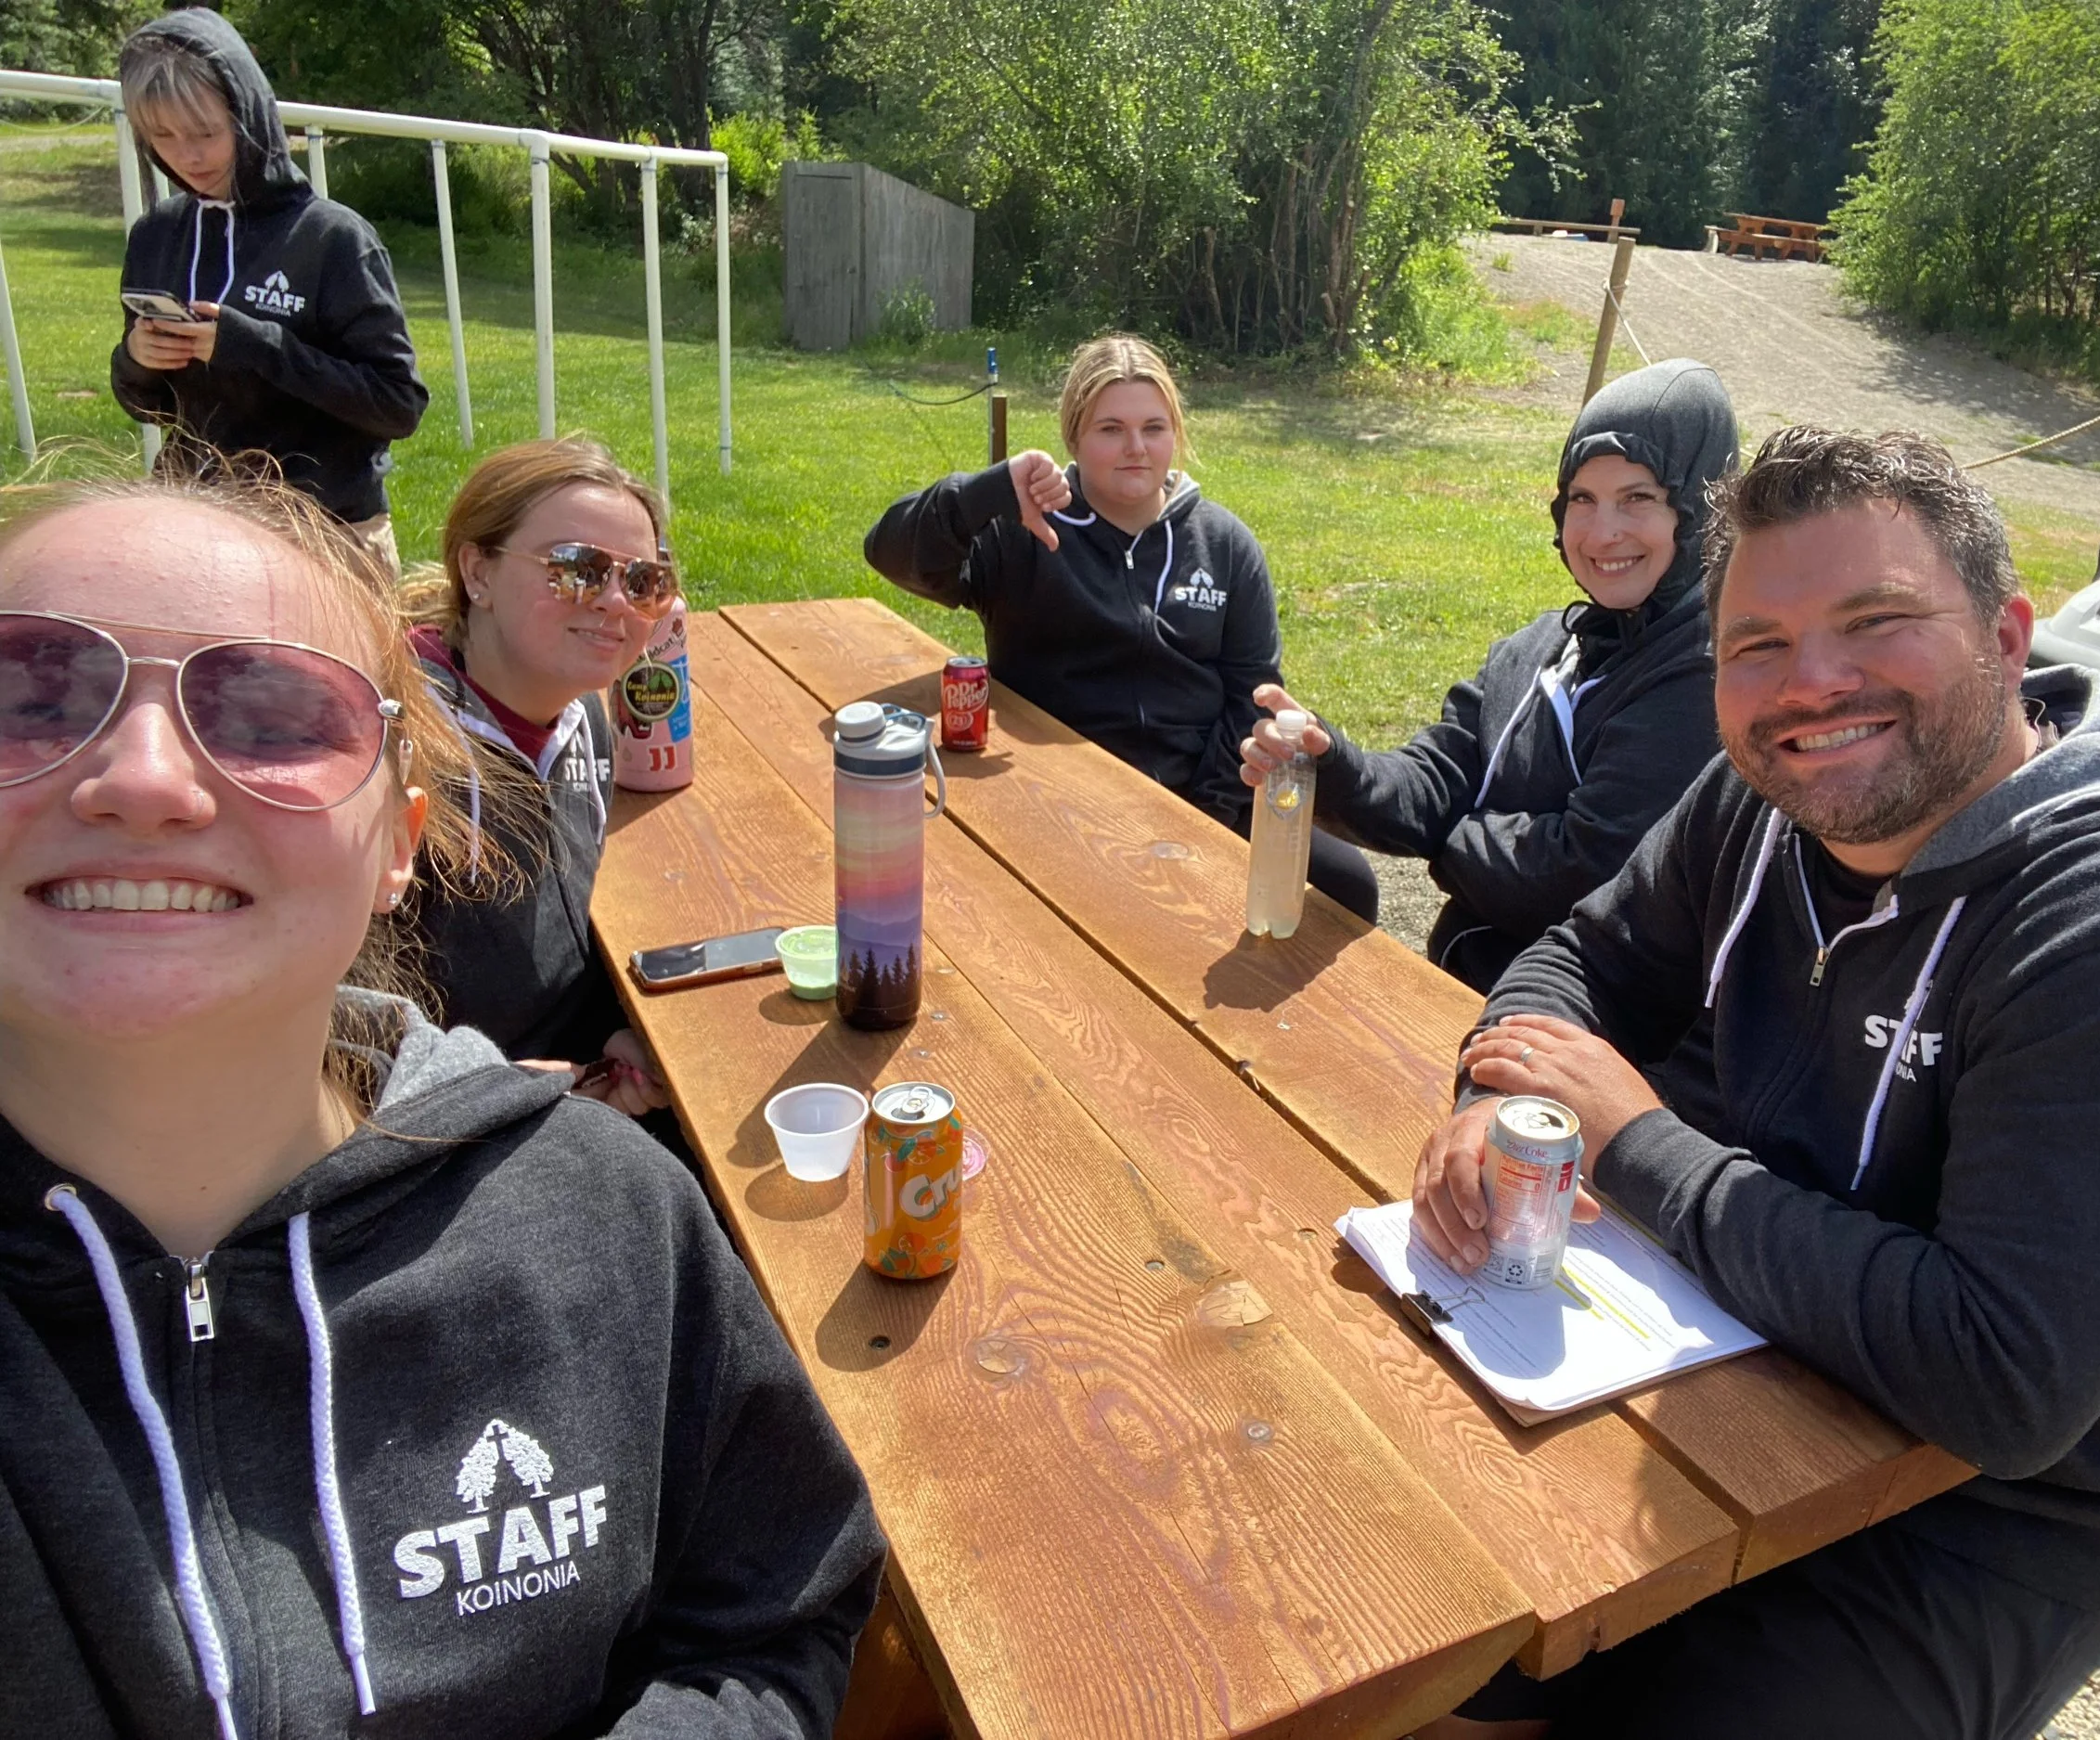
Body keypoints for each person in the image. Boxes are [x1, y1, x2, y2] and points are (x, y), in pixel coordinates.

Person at [1413, 428, 2100, 1740]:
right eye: (1757, 644)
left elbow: (2005, 1381)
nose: (1810, 684)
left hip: (2008, 1509)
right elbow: (1584, 956)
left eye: (1875, 621)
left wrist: (1636, 1143)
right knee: (1449, 1609)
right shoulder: (1766, 798)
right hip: (1740, 1339)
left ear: (2006, 636)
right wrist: (1508, 1102)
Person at [0, 471, 884, 1735]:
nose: (146, 779)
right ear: (473, 568)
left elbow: (772, 1607)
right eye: (32, 695)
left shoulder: (609, 1216)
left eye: (270, 716)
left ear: (398, 843)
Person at [1240, 359, 1736, 991]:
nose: (1602, 531)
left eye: (1638, 498)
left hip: (1575, 1021)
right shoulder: (1542, 648)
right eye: (1582, 499)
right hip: (1460, 983)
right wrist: (1332, 763)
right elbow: (1437, 776)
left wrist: (1448, 840)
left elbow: (1582, 874)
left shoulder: (1706, 677)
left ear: (1700, 510)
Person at [864, 332, 1380, 921]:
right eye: (1111, 429)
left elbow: (1251, 693)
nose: (1136, 448)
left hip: (1203, 794)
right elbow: (891, 554)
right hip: (1054, 800)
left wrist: (1201, 822)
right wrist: (985, 493)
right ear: (1074, 438)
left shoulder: (1224, 544)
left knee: (1348, 885)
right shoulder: (1024, 532)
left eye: (1154, 428)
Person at [401, 437, 673, 1117]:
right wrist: (508, 1095)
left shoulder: (585, 716)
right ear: (478, 573)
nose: (615, 601)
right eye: (577, 569)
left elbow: (556, 946)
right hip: (433, 1126)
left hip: (569, 1088)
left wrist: (602, 1042)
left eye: (643, 581)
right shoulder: (390, 743)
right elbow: (335, 1022)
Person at [110, 9, 426, 567]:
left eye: (206, 133)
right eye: (163, 136)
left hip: (325, 530)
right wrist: (137, 359)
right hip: (191, 520)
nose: (188, 155)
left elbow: (398, 406)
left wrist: (253, 346)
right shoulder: (156, 234)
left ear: (248, 114)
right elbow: (148, 406)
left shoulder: (333, 238)